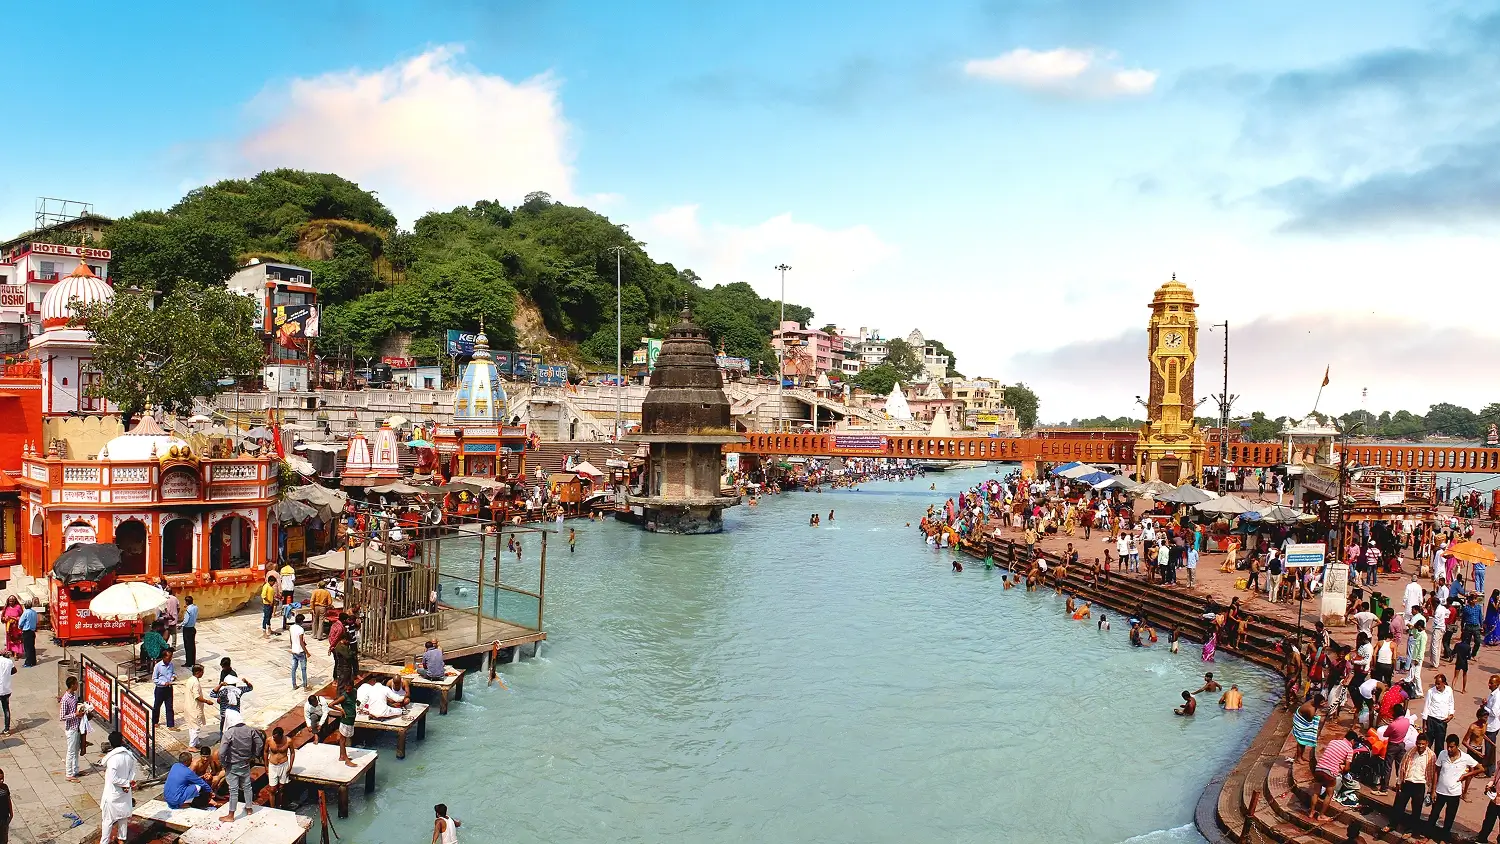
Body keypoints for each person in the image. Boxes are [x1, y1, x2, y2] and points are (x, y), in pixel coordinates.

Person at [1430, 733, 1483, 840]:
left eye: (1452, 747)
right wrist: (1433, 790)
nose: (1449, 749)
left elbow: (1481, 768)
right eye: (1448, 746)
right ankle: (1429, 835)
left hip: (1454, 794)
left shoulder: (1466, 758)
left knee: (1449, 817)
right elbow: (1436, 771)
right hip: (1440, 791)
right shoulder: (1442, 754)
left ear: (1457, 746)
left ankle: (1443, 838)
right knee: (1433, 815)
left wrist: (1466, 775)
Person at [218, 710, 263, 822]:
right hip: (245, 763)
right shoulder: (250, 730)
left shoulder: (229, 733)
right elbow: (260, 743)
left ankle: (231, 815)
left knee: (233, 790)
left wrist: (223, 763)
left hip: (232, 764)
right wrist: (254, 755)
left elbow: (221, 752)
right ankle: (249, 808)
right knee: (247, 786)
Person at [1309, 729, 1358, 822]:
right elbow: (1347, 768)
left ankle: (1311, 812)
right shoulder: (1349, 750)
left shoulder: (1333, 742)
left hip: (1319, 768)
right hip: (1330, 773)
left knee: (1316, 792)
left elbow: (1331, 755)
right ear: (1352, 741)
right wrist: (1343, 769)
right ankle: (1321, 815)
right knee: (1329, 794)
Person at [98, 731, 138, 844]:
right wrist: (128, 784)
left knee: (107, 821)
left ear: (110, 744)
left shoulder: (113, 759)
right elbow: (132, 772)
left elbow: (113, 779)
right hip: (124, 792)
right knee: (123, 818)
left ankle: (104, 842)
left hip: (113, 794)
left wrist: (126, 783)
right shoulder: (129, 756)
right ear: (122, 741)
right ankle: (121, 839)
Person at [1391, 733, 1433, 833]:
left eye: (1423, 744)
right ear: (1416, 743)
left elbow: (1431, 774)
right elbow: (1402, 766)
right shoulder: (1410, 752)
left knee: (1416, 809)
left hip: (1420, 784)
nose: (1420, 746)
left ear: (1427, 744)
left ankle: (1411, 830)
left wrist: (1430, 790)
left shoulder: (1431, 756)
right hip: (1407, 782)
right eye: (1419, 744)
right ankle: (1392, 825)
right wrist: (1399, 781)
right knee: (1398, 805)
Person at [1424, 673, 1457, 748]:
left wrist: (1451, 714)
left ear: (1444, 683)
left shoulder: (1449, 690)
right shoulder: (1431, 692)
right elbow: (1426, 707)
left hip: (1442, 722)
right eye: (1435, 684)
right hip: (1431, 721)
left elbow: (1451, 702)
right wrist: (1424, 725)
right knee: (1428, 744)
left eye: (1438, 684)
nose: (1436, 686)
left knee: (1440, 745)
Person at [331, 682, 359, 768]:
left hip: (351, 718)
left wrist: (358, 703)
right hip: (346, 720)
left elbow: (354, 700)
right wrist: (341, 710)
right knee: (343, 739)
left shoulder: (354, 691)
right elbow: (331, 704)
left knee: (343, 738)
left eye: (349, 688)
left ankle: (342, 756)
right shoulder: (344, 696)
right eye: (346, 688)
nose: (347, 690)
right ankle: (346, 760)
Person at [265, 726, 293, 808]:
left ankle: (280, 805)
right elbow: (265, 752)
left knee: (281, 788)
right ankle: (272, 808)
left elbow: (292, 753)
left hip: (283, 765)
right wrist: (266, 766)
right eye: (274, 737)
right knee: (272, 789)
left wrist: (290, 766)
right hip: (272, 765)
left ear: (281, 736)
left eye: (276, 738)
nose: (275, 740)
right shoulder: (269, 740)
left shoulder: (288, 741)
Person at [60, 676, 82, 781]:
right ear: (72, 685)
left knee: (76, 750)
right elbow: (62, 716)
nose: (77, 685)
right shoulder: (65, 699)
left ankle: (75, 770)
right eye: (76, 683)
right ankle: (69, 773)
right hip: (71, 729)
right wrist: (75, 714)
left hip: (77, 726)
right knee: (71, 751)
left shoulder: (74, 696)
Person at [185, 664, 211, 749]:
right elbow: (197, 696)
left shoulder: (190, 679)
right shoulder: (195, 682)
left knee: (191, 726)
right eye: (202, 672)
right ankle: (192, 746)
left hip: (189, 706)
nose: (203, 673)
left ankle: (195, 743)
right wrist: (207, 701)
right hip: (194, 708)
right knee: (196, 728)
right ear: (197, 672)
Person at [1293, 695, 1323, 762]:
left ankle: (1301, 756)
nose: (1324, 704)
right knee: (1301, 741)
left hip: (1303, 716)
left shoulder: (1313, 701)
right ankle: (1298, 758)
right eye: (1322, 703)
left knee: (1303, 741)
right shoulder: (1311, 710)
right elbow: (1310, 720)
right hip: (1300, 721)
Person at [152, 648, 175, 728]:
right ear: (164, 657)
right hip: (160, 689)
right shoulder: (158, 666)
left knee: (169, 707)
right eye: (169, 657)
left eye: (171, 657)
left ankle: (171, 724)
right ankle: (155, 721)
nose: (170, 659)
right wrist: (163, 683)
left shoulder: (171, 665)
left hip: (169, 688)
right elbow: (154, 679)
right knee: (157, 706)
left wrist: (173, 677)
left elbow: (173, 673)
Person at [289, 614, 308, 689]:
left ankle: (294, 685)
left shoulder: (291, 627)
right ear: (300, 621)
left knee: (294, 668)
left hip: (294, 651)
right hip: (300, 651)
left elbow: (291, 639)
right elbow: (301, 642)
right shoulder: (301, 629)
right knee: (303, 669)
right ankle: (305, 686)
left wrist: (293, 647)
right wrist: (307, 652)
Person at [180, 596, 199, 667]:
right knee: (192, 646)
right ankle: (192, 661)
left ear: (187, 602)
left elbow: (186, 620)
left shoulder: (188, 609)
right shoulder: (195, 607)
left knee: (187, 646)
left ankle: (188, 662)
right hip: (192, 628)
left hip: (187, 629)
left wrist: (180, 625)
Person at [16, 601, 36, 668]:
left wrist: (20, 627)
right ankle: (33, 661)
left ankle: (28, 663)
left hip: (27, 631)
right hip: (32, 631)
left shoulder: (25, 612)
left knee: (27, 648)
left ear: (25, 606)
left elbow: (21, 622)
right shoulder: (34, 612)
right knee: (32, 647)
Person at [260, 574, 277, 639]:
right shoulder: (266, 586)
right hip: (267, 604)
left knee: (269, 617)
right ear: (270, 581)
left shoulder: (270, 586)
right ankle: (264, 631)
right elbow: (263, 596)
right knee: (266, 618)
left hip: (271, 604)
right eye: (273, 582)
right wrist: (269, 602)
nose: (273, 584)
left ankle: (269, 629)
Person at [0, 649, 13, 735]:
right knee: (6, 709)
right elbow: (14, 670)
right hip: (6, 689)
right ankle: (7, 729)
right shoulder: (9, 662)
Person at [0, 770, 11, 844]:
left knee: (4, 838)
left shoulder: (5, 787)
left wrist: (11, 813)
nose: (1, 781)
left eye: (2, 778)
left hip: (4, 817)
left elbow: (8, 799)